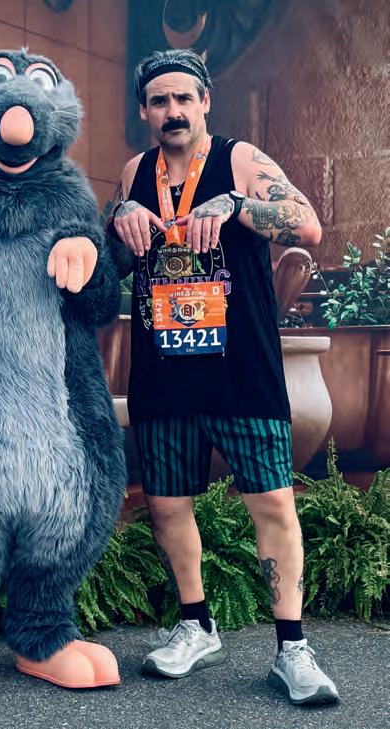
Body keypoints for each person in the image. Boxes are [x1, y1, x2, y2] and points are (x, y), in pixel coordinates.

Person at [107, 48, 339, 705]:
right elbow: (112, 263)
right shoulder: (135, 172)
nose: (173, 110)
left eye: (184, 98)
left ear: (205, 102)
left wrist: (237, 205)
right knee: (166, 503)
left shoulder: (240, 160)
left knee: (271, 501)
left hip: (240, 365)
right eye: (159, 100)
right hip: (163, 365)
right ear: (145, 110)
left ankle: (291, 648)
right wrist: (117, 220)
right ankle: (195, 624)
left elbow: (307, 225)